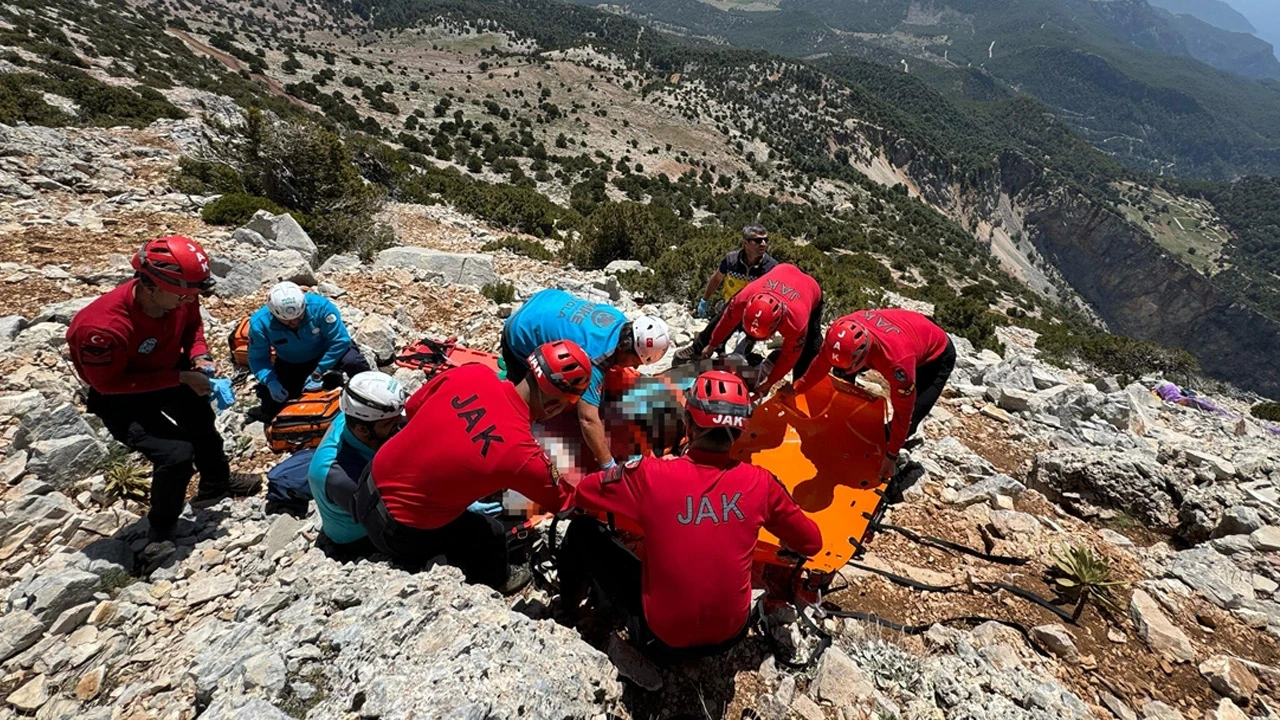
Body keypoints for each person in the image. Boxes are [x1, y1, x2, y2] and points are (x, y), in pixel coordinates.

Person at [557, 370, 822, 659]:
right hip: (730, 637)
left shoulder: (650, 475)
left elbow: (585, 492)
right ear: (742, 428)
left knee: (582, 530)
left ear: (688, 424)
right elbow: (811, 542)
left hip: (659, 639)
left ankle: (567, 607)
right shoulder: (761, 483)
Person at [65, 236, 262, 567]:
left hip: (168, 372)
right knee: (175, 454)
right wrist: (181, 378)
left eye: (192, 294)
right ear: (150, 284)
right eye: (182, 294)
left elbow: (192, 328)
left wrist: (200, 357)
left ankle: (216, 483)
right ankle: (160, 531)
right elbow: (106, 383)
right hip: (121, 396)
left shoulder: (180, 296)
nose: (188, 300)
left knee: (201, 421)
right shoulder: (100, 327)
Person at [350, 340, 594, 592]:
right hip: (400, 532)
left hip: (368, 481)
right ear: (555, 406)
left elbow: (413, 408)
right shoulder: (522, 454)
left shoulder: (472, 372)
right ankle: (499, 582)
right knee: (491, 532)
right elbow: (566, 502)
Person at [500, 288, 670, 470]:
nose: (635, 367)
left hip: (546, 300)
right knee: (532, 403)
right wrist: (609, 466)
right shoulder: (595, 359)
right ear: (626, 349)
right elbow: (588, 420)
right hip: (520, 332)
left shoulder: (618, 319)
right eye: (636, 361)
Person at [793, 309, 956, 481]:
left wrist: (891, 455)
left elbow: (903, 415)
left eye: (847, 366)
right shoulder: (839, 333)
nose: (839, 370)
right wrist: (797, 388)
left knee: (913, 416)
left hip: (936, 356)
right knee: (843, 379)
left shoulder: (897, 363)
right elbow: (820, 366)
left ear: (864, 357)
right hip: (908, 329)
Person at [675, 264, 824, 399]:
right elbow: (726, 321)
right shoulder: (743, 298)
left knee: (811, 345)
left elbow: (789, 357)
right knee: (726, 311)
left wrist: (769, 383)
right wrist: (712, 345)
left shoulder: (796, 322)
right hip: (781, 272)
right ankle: (705, 348)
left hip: (809, 288)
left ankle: (799, 391)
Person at [307, 371, 407, 561]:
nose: (400, 424)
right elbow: (390, 516)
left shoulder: (359, 422)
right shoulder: (341, 475)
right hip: (360, 538)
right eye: (389, 424)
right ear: (363, 429)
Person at [247, 281, 370, 423]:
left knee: (354, 362)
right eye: (287, 321)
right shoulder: (259, 324)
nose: (294, 323)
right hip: (292, 362)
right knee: (272, 402)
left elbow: (340, 340)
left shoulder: (321, 307)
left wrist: (319, 370)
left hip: (329, 353)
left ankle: (371, 390)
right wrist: (270, 381)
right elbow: (258, 359)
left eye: (299, 317)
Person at [695, 223, 778, 320]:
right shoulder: (730, 260)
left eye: (765, 240)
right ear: (745, 243)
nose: (763, 244)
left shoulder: (771, 266)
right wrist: (704, 300)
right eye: (758, 240)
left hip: (755, 317)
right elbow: (717, 279)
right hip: (730, 311)